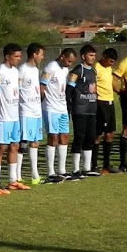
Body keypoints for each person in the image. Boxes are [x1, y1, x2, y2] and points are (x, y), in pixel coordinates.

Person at [0, 44, 24, 190]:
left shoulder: (16, 72)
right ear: (7, 56)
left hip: (14, 116)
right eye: (16, 56)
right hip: (3, 117)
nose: (19, 59)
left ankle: (13, 180)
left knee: (14, 146)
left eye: (19, 56)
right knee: (1, 147)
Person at [66, 45, 102, 177]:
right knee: (79, 137)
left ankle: (87, 168)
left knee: (90, 137)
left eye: (94, 55)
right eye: (90, 55)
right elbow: (69, 89)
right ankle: (75, 169)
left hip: (91, 109)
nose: (93, 57)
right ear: (83, 56)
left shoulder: (93, 71)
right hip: (79, 109)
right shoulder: (77, 70)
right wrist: (69, 105)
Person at [41, 47, 74, 181]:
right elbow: (42, 87)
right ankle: (50, 172)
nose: (69, 64)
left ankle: (62, 170)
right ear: (62, 57)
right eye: (69, 61)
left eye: (71, 62)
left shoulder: (65, 70)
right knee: (52, 137)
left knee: (64, 137)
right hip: (51, 108)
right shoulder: (50, 68)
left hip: (62, 108)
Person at [18, 43, 45, 185]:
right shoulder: (22, 70)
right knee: (23, 142)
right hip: (26, 111)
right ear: (34, 54)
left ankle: (35, 175)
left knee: (35, 142)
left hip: (36, 111)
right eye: (41, 54)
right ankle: (17, 175)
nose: (42, 57)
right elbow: (17, 90)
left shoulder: (35, 70)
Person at [95, 48, 119, 171]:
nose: (111, 64)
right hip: (100, 103)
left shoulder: (109, 69)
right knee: (98, 134)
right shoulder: (96, 68)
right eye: (110, 61)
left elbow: (111, 84)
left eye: (113, 62)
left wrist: (119, 92)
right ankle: (93, 165)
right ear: (103, 56)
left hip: (110, 102)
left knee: (110, 134)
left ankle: (106, 164)